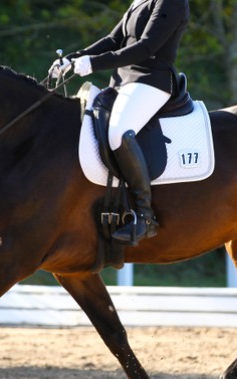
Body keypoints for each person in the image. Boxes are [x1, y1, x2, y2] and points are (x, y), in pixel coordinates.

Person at [50, 0, 190, 245]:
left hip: (151, 80)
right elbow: (113, 39)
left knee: (119, 133)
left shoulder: (172, 2)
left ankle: (145, 217)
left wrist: (94, 64)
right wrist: (73, 59)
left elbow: (147, 47)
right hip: (123, 81)